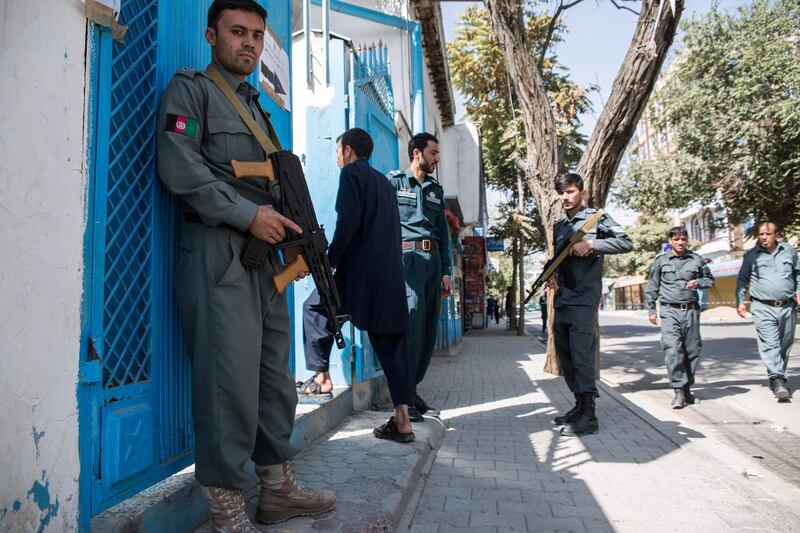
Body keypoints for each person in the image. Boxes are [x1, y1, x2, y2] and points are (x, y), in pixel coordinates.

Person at [157, 1, 335, 529]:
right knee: (228, 383)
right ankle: (227, 507)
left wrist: (294, 237)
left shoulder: (257, 107)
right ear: (212, 35)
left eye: (257, 35)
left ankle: (276, 489)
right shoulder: (191, 90)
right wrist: (245, 214)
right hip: (218, 254)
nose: (250, 45)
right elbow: (179, 164)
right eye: (238, 33)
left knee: (274, 380)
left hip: (267, 261)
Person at [301, 128, 415, 441]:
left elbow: (347, 220)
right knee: (391, 345)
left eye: (338, 150)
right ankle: (403, 421)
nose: (337, 157)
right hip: (389, 276)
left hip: (359, 274)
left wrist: (331, 260)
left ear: (348, 150)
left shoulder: (351, 174)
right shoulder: (384, 182)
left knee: (314, 307)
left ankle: (322, 377)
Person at [547, 173, 633, 436]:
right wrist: (553, 275)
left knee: (582, 356)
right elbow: (560, 258)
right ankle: (578, 404)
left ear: (581, 192)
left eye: (570, 192)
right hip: (563, 298)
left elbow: (626, 242)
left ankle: (589, 414)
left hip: (584, 299)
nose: (565, 198)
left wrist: (592, 244)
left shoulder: (597, 218)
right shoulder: (560, 225)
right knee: (567, 355)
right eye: (561, 193)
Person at [387, 133, 452, 421]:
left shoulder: (436, 190)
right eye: (433, 153)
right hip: (406, 260)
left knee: (426, 330)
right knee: (411, 325)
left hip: (433, 261)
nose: (437, 158)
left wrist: (447, 271)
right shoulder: (395, 183)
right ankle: (403, 399)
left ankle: (412, 391)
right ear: (417, 153)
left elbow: (445, 235)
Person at [645, 227, 714, 409]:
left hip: (690, 310)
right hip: (669, 311)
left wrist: (698, 282)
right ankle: (678, 390)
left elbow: (709, 279)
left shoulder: (696, 259)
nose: (681, 243)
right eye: (676, 239)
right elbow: (652, 286)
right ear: (670, 241)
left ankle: (687, 387)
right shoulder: (661, 261)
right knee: (673, 350)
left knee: (692, 350)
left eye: (683, 239)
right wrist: (651, 309)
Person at [736, 222, 799, 402]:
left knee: (785, 344)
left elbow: (798, 274)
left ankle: (777, 376)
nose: (764, 237)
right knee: (771, 343)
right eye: (761, 234)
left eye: (768, 234)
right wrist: (740, 301)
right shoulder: (751, 256)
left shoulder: (789, 252)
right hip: (762, 306)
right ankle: (778, 379)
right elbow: (742, 280)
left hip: (787, 306)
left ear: (776, 234)